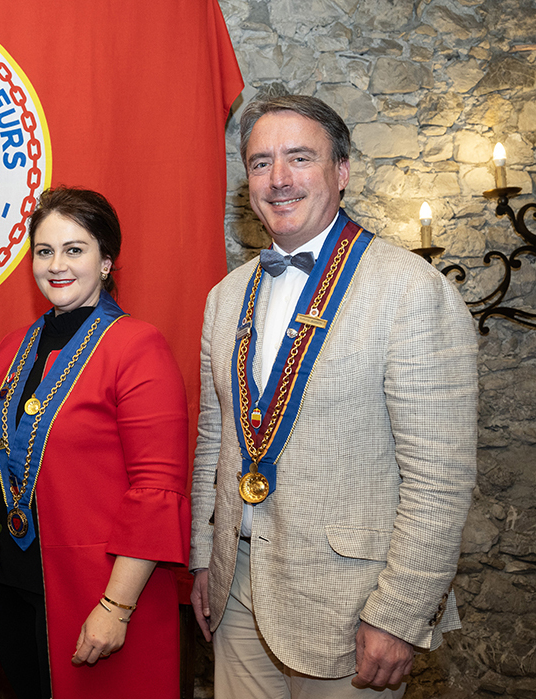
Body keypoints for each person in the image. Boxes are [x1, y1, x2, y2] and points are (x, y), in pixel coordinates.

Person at [189, 94, 478, 698]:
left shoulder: (409, 290)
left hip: (353, 606)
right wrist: (203, 561)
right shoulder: (225, 297)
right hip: (237, 587)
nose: (279, 179)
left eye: (300, 158)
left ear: (341, 171)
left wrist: (399, 615)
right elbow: (213, 441)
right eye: (261, 162)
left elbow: (440, 479)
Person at [0, 187, 191, 698]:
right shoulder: (11, 350)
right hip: (11, 590)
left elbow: (156, 491)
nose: (57, 265)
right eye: (45, 251)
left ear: (107, 259)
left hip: (99, 595)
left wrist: (116, 607)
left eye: (75, 249)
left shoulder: (138, 346)